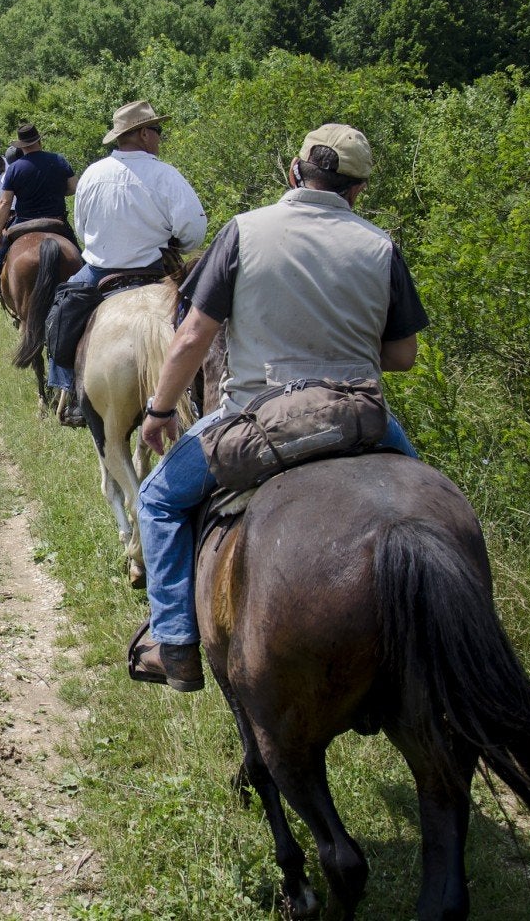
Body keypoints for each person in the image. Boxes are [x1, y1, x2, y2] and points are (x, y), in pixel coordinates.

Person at [128, 124, 428, 692]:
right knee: (431, 495)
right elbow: (403, 354)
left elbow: (194, 335)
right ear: (358, 190)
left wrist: (161, 409)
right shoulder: (380, 245)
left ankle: (176, 647)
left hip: (255, 416)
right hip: (359, 412)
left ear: (294, 172)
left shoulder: (243, 232)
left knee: (158, 499)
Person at [45, 100, 207, 424]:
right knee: (207, 317)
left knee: (61, 315)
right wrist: (178, 243)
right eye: (157, 131)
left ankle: (72, 392)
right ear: (144, 134)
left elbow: (82, 228)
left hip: (100, 273)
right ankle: (205, 394)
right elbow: (194, 230)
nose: (160, 138)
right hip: (157, 272)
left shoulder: (92, 174)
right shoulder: (167, 175)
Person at [0, 124, 75, 318]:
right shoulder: (59, 160)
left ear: (21, 146)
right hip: (56, 221)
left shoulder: (15, 168)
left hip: (23, 223)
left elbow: (4, 202)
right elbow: (72, 187)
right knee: (82, 258)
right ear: (39, 141)